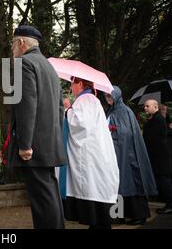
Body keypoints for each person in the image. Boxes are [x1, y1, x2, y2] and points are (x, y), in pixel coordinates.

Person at [7, 25, 66, 229]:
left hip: (33, 146)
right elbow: (60, 107)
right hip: (48, 143)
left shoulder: (24, 63)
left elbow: (26, 105)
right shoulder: (49, 66)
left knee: (42, 201)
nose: (12, 50)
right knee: (49, 195)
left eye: (13, 45)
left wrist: (25, 144)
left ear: (21, 43)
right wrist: (55, 138)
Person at [64, 77, 119, 229]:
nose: (71, 88)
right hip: (97, 153)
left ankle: (98, 224)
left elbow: (81, 124)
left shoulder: (85, 99)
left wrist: (68, 109)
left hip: (91, 155)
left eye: (72, 84)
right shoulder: (91, 100)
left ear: (80, 84)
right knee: (98, 190)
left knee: (93, 188)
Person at [105, 86, 157, 225]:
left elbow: (126, 134)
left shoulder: (123, 111)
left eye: (110, 95)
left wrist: (112, 134)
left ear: (116, 96)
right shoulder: (112, 111)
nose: (107, 98)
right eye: (106, 96)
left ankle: (139, 215)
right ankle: (118, 215)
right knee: (117, 183)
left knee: (131, 183)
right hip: (116, 153)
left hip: (127, 154)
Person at [143, 99, 172, 214]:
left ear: (155, 107)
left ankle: (171, 205)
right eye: (145, 106)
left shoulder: (158, 119)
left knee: (164, 180)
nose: (145, 108)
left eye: (148, 106)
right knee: (163, 180)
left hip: (160, 157)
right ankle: (170, 204)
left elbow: (151, 137)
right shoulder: (155, 119)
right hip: (158, 156)